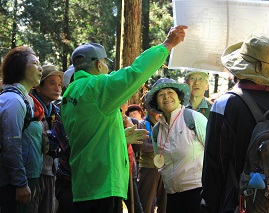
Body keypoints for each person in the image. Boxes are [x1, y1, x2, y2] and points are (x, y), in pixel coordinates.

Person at [60, 25, 187, 213]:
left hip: (83, 184)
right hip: (103, 184)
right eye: (105, 63)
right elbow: (134, 72)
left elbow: (89, 136)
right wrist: (167, 45)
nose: (107, 68)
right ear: (98, 64)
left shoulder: (69, 94)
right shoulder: (95, 87)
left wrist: (119, 137)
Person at [200, 34, 269, 212]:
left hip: (235, 204)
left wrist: (208, 206)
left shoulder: (225, 105)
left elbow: (214, 167)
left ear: (240, 68)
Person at [144, 78, 207, 213]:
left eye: (170, 92)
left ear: (179, 97)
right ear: (157, 104)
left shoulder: (193, 119)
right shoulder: (156, 130)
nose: (166, 97)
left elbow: (214, 153)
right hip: (172, 196)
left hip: (197, 192)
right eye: (161, 95)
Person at [0, 46, 44, 212]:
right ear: (19, 67)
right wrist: (20, 183)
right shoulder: (13, 100)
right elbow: (11, 144)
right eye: (35, 63)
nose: (40, 68)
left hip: (26, 179)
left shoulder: (25, 100)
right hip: (13, 184)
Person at [29, 64, 69, 213]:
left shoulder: (57, 112)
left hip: (52, 172)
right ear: (38, 87)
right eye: (52, 83)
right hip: (32, 173)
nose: (57, 88)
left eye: (59, 84)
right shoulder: (30, 108)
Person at [138, 108, 167, 213]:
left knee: (165, 204)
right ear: (149, 110)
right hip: (148, 167)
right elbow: (143, 146)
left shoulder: (164, 123)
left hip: (164, 167)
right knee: (146, 203)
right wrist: (160, 145)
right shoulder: (142, 124)